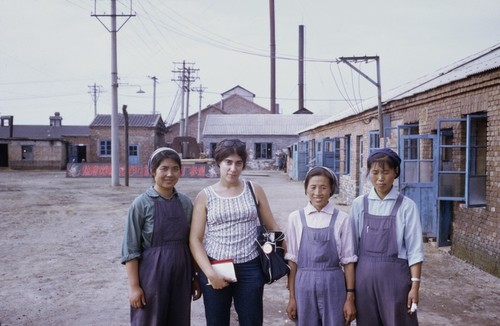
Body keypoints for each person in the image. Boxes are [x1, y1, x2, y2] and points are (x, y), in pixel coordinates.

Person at [189, 138, 282, 326]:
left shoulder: (254, 190)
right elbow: (195, 239)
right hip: (216, 265)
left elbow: (273, 227)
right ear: (218, 163)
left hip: (250, 267)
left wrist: (284, 260)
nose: (233, 168)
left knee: (252, 321)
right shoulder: (205, 196)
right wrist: (209, 273)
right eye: (228, 162)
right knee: (216, 322)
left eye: (238, 163)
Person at [121, 147, 201, 326]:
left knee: (178, 319)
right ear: (152, 171)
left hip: (182, 274)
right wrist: (134, 287)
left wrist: (195, 277)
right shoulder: (141, 204)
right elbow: (130, 249)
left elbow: (193, 243)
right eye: (163, 168)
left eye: (175, 168)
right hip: (152, 275)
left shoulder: (186, 203)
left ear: (180, 171)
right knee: (149, 320)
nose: (169, 174)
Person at [350, 148, 424, 326]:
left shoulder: (407, 206)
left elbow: (415, 250)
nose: (380, 178)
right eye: (375, 172)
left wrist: (415, 286)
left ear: (396, 172)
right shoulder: (359, 204)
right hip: (364, 281)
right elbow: (350, 250)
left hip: (395, 282)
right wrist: (350, 291)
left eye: (386, 172)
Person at [285, 166, 357, 325]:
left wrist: (349, 298)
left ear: (331, 190)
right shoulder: (295, 218)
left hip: (334, 283)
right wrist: (292, 297)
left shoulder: (342, 219)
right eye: (313, 187)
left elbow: (348, 261)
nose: (318, 192)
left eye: (323, 187)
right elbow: (292, 261)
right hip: (304, 284)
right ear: (306, 189)